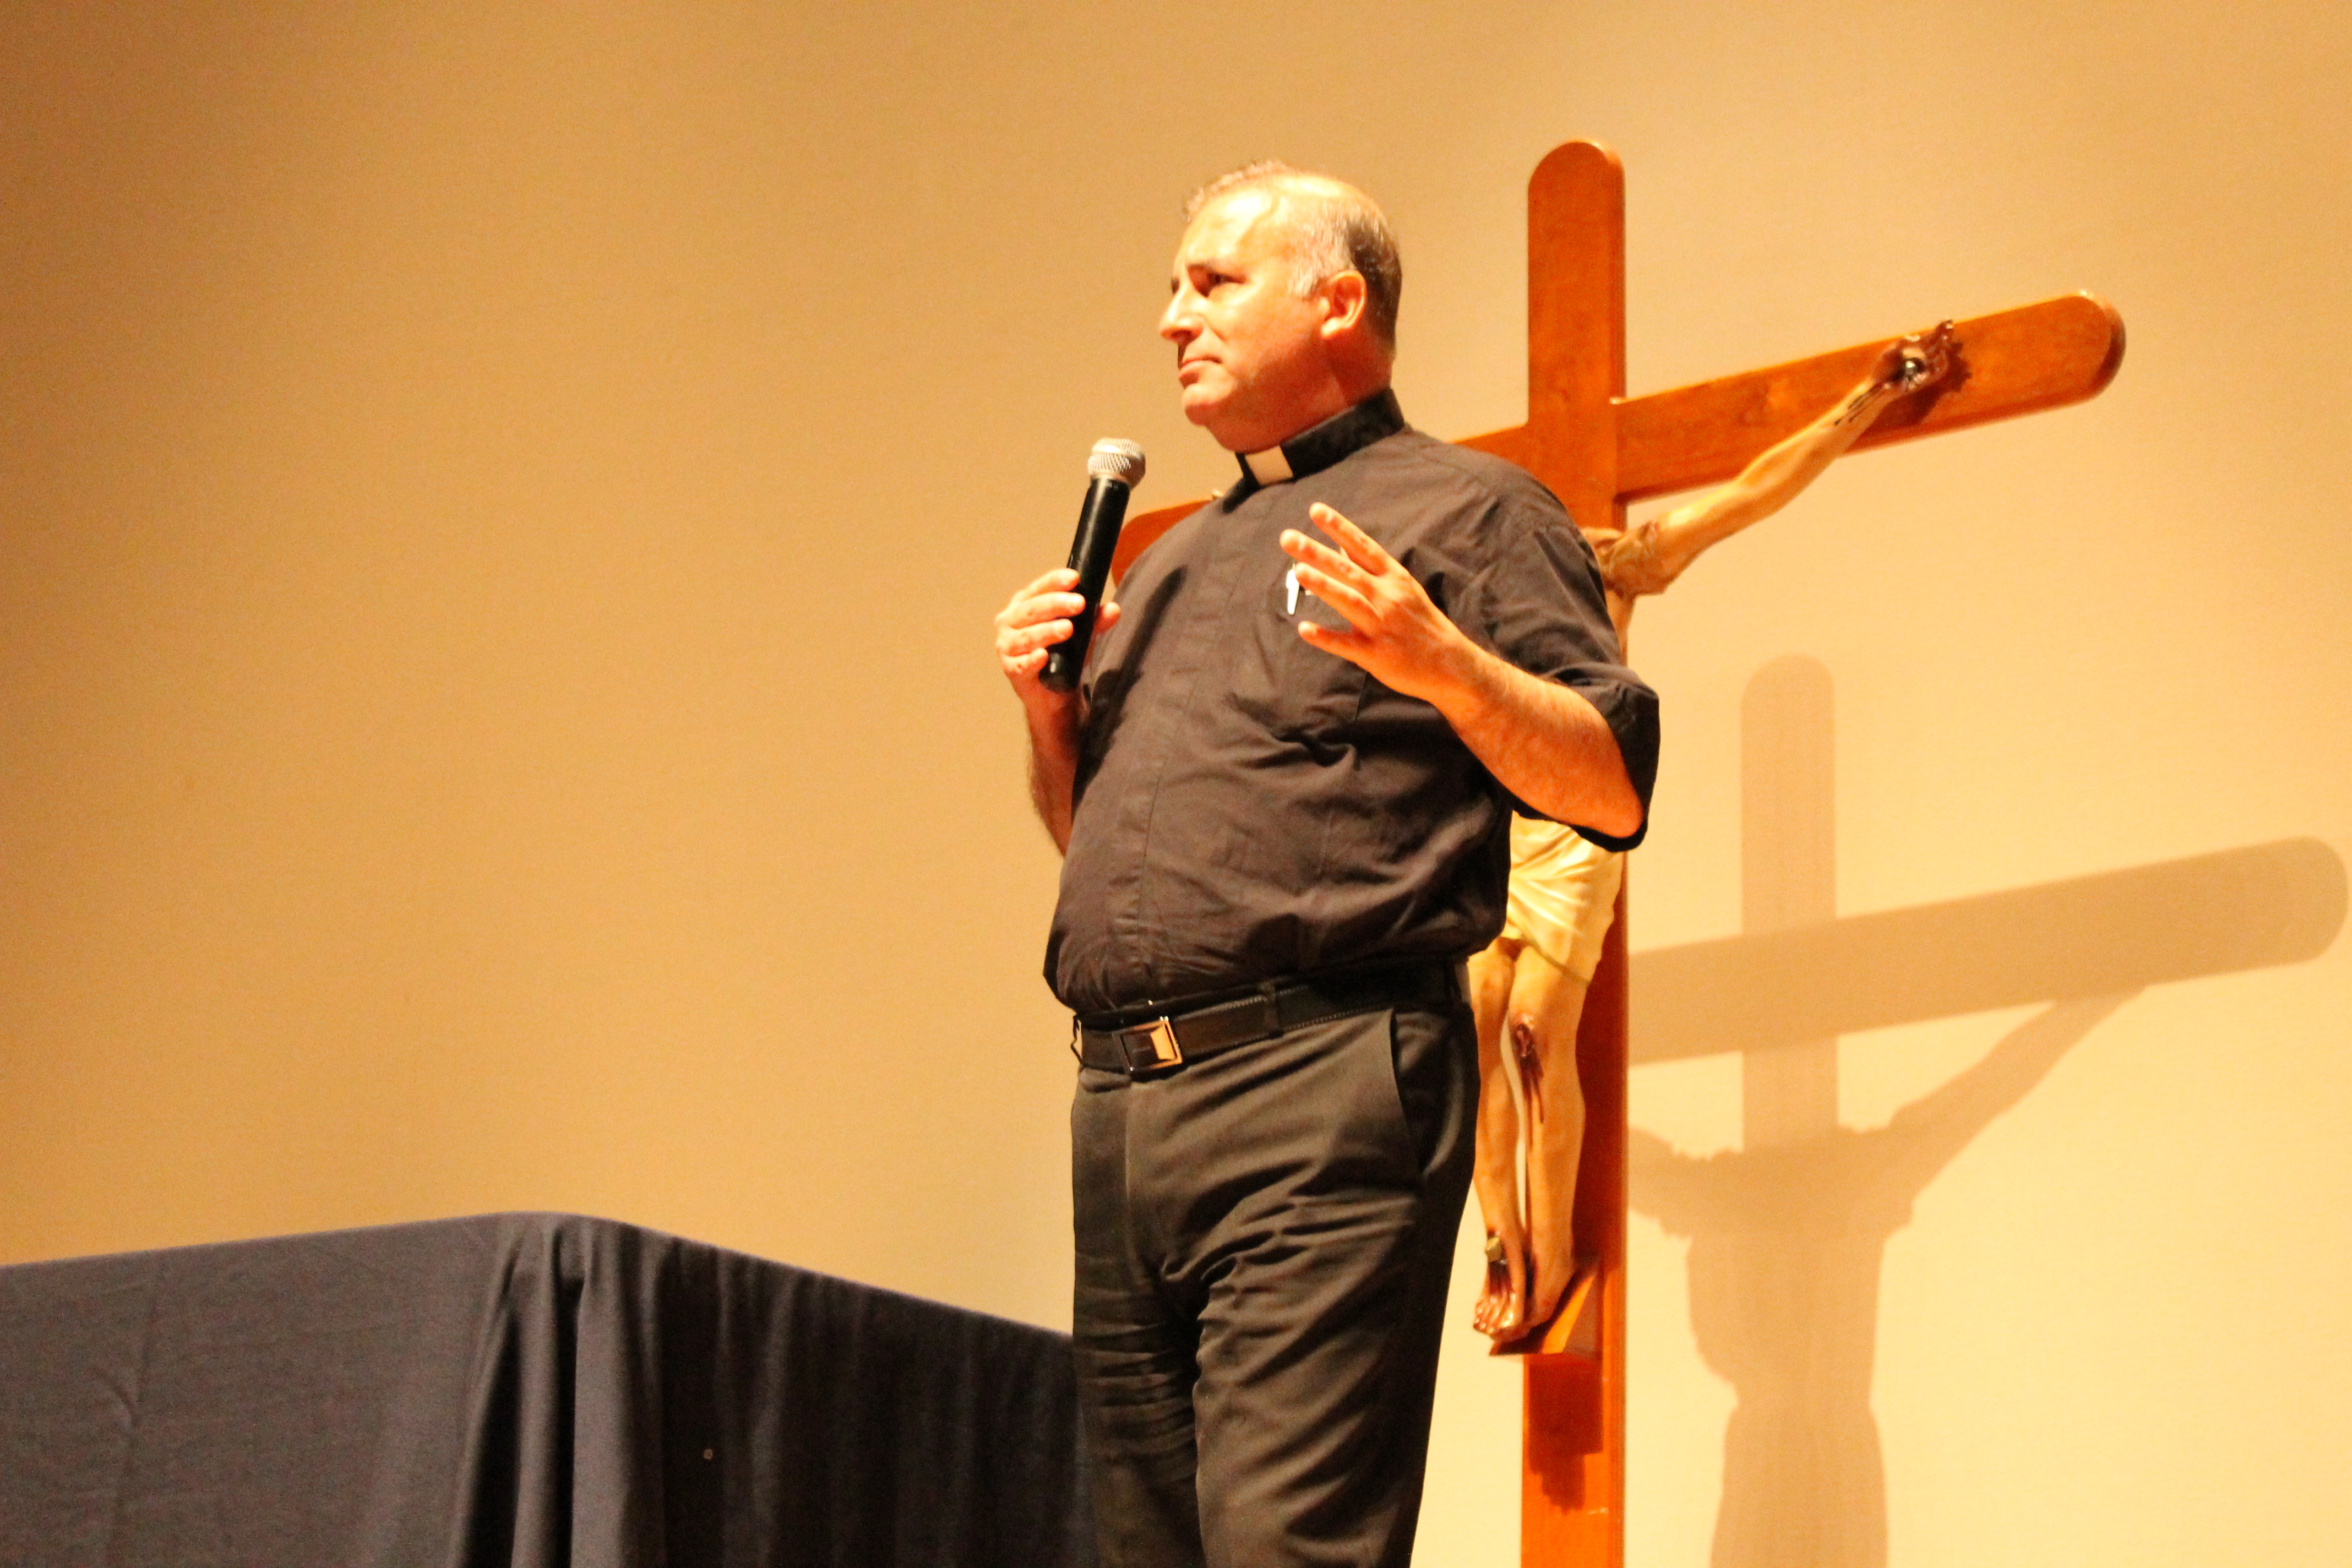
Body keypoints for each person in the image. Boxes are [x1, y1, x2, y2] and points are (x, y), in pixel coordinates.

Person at [992, 161, 1658, 1568]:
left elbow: (1606, 780)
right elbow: (1103, 852)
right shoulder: (1168, 566)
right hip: (1121, 1103)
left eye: (1214, 283)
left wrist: (1445, 664)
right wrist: (1052, 723)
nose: (1176, 318)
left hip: (1320, 1089)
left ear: (1338, 301)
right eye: (1176, 288)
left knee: (1288, 1550)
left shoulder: (1474, 512)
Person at [1469, 322, 1958, 1344]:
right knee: (1473, 1037)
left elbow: (1756, 490)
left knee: (1531, 1035)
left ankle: (1552, 1255)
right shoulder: (1470, 585)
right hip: (1494, 830)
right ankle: (1504, 1245)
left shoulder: (1613, 565)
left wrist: (1865, 398)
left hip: (1577, 826)